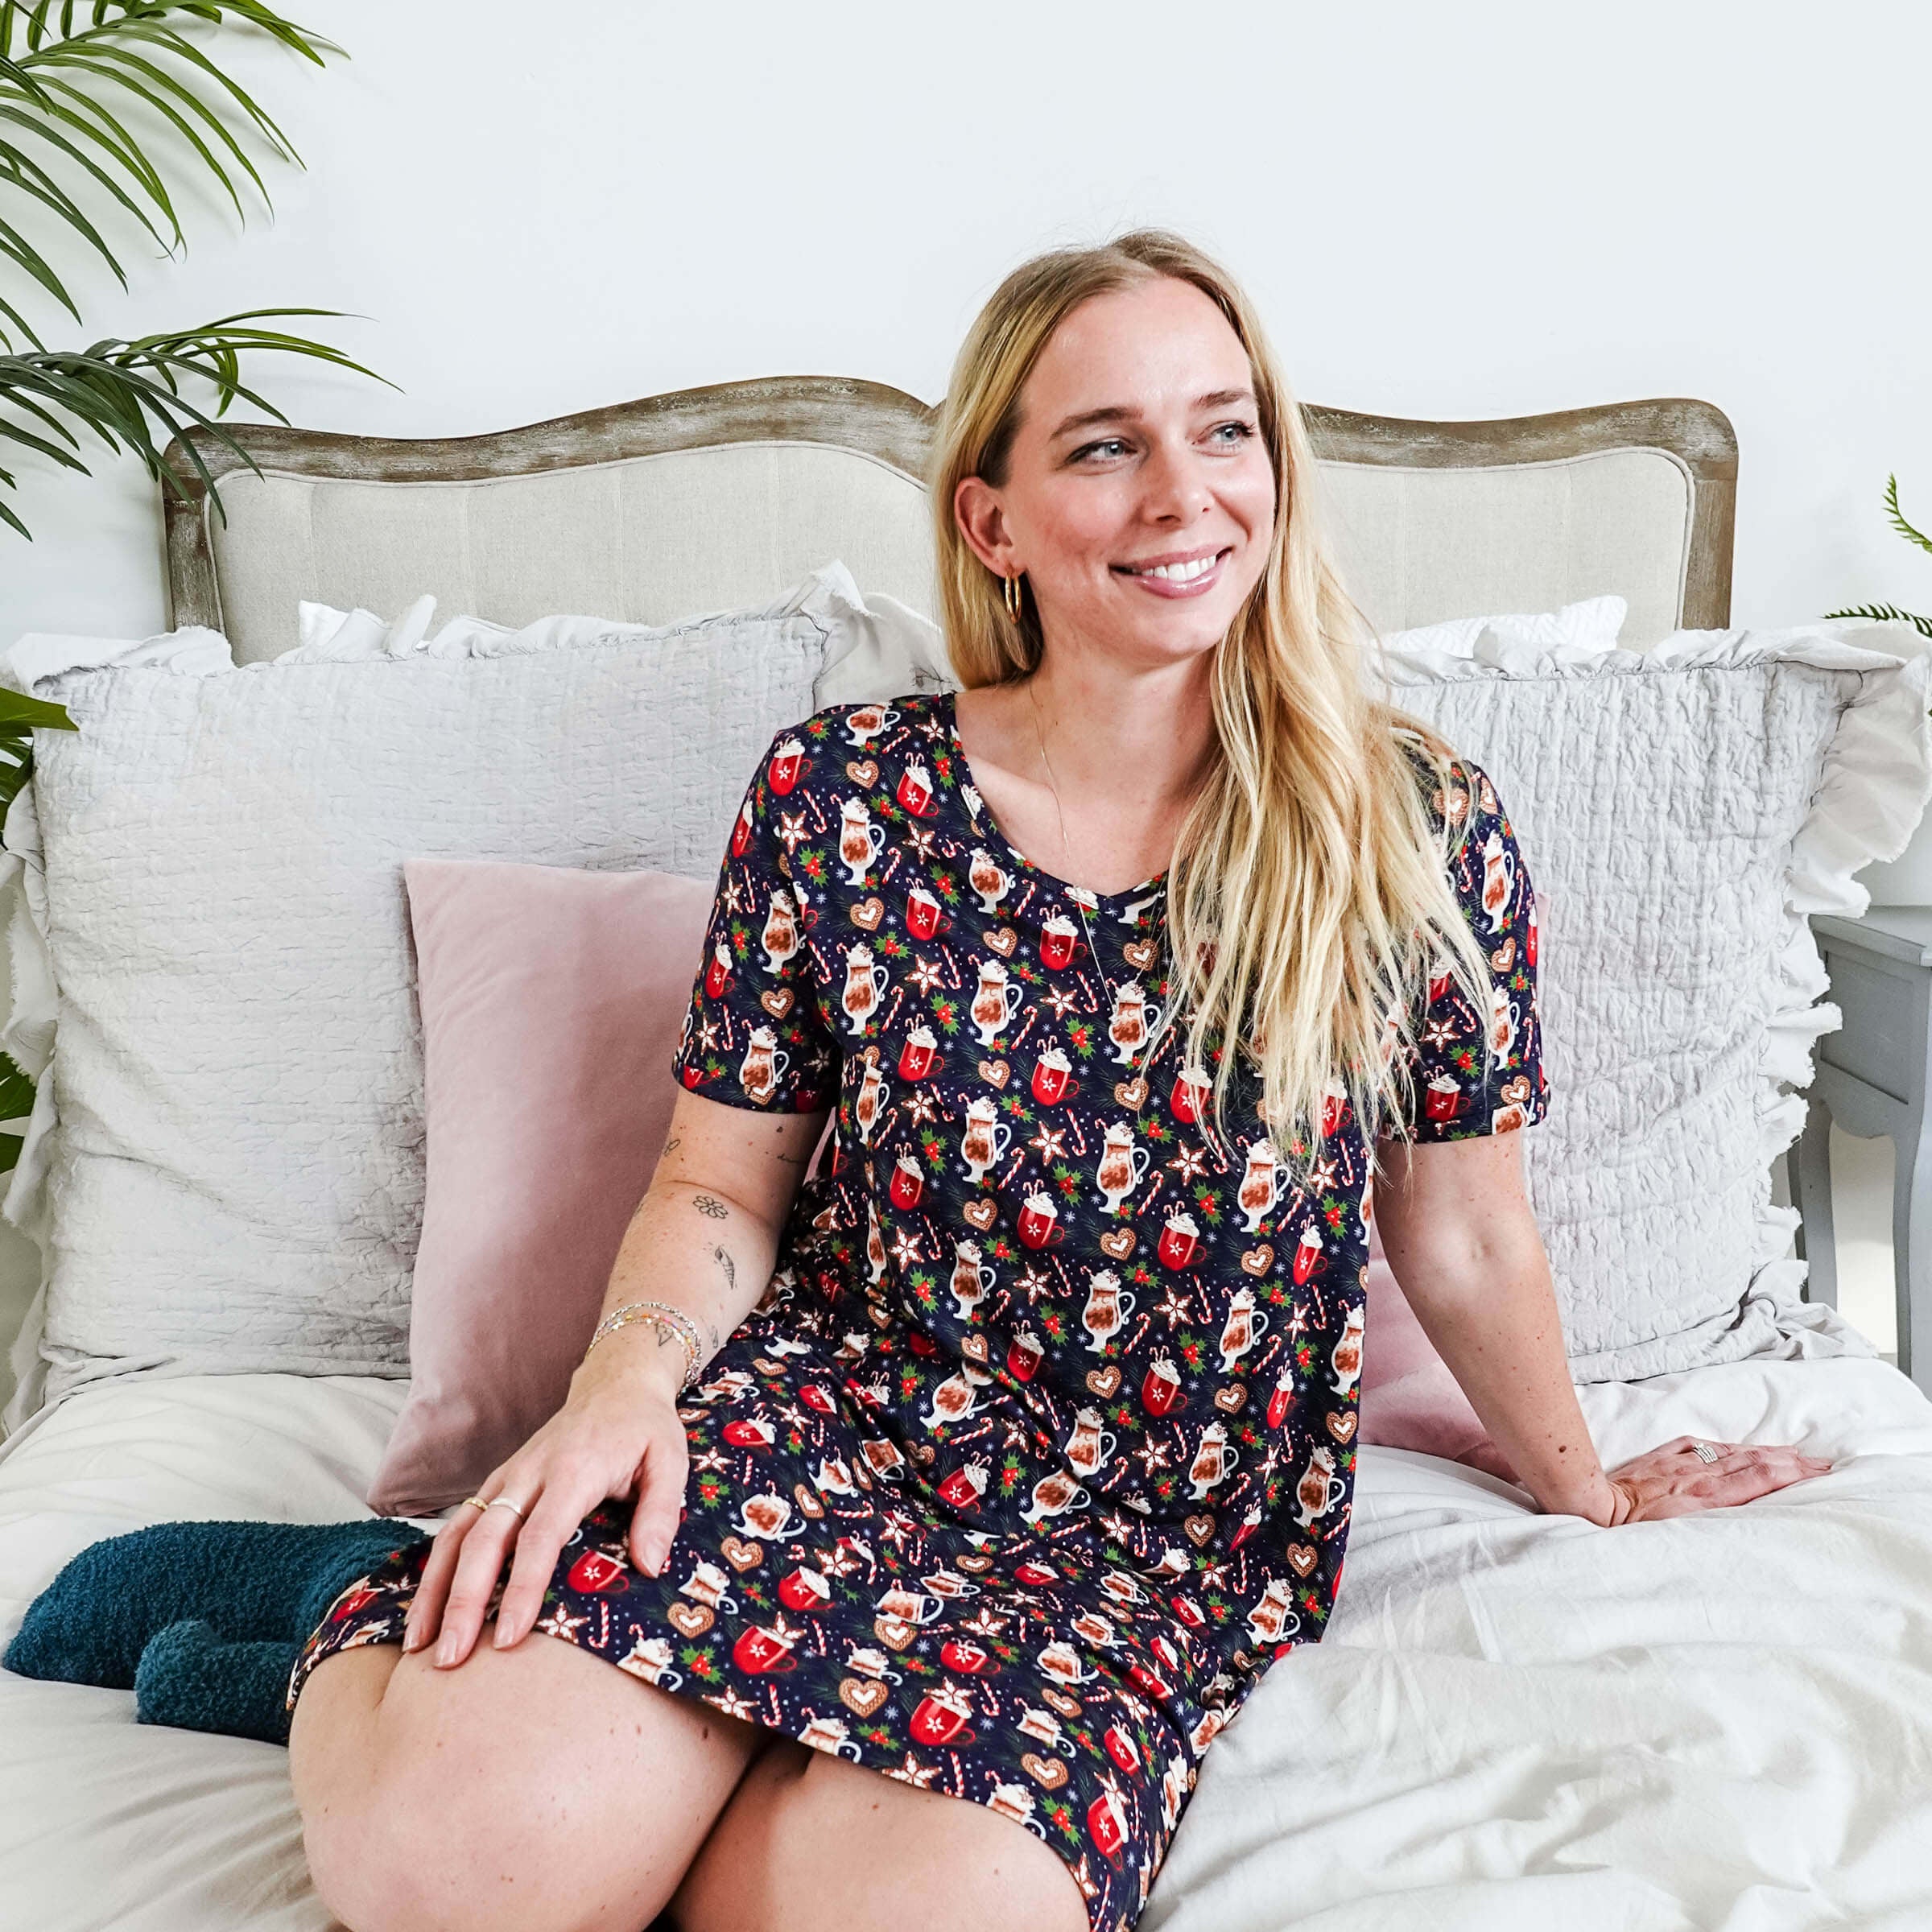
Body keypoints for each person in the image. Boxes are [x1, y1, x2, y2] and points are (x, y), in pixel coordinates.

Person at [282, 229, 1835, 1932]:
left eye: (1224, 429)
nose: (1185, 493)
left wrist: (1586, 1480)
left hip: (1151, 1524)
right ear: (993, 521)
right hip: (833, 1419)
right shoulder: (841, 796)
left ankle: (697, 1756)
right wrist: (624, 1391)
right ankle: (352, 1613)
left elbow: (1462, 1232)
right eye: (1107, 445)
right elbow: (721, 1183)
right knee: (459, 1872)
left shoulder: (1414, 830)